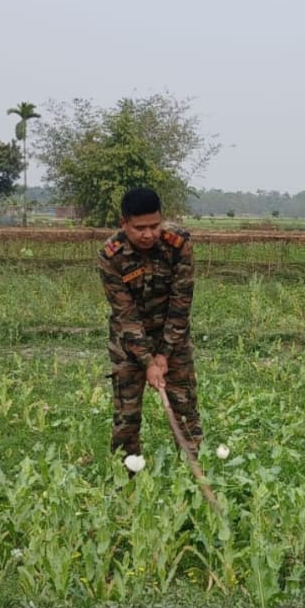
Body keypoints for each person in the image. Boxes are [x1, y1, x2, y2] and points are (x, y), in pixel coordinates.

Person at [97, 187, 201, 463]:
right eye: (139, 228)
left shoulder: (178, 244)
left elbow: (181, 303)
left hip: (174, 338)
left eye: (154, 226)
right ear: (124, 223)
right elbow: (125, 314)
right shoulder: (111, 256)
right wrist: (147, 361)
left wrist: (164, 354)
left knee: (185, 410)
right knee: (126, 417)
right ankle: (126, 478)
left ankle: (191, 475)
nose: (148, 234)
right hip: (128, 344)